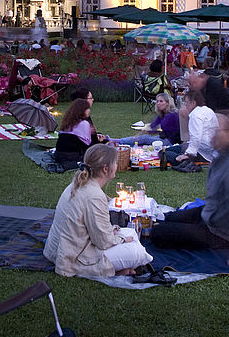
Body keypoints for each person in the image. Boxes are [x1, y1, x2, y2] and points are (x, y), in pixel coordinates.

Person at [150, 110, 229, 268]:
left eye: (217, 131)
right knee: (169, 217)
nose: (212, 135)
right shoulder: (222, 153)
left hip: (219, 232)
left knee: (158, 233)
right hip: (210, 213)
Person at [43, 143, 153, 277]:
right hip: (72, 258)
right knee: (137, 252)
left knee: (131, 232)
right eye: (115, 163)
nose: (116, 166)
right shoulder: (94, 195)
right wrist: (121, 239)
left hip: (59, 249)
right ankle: (111, 270)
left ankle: (117, 268)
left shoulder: (79, 183)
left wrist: (118, 235)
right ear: (106, 169)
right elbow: (103, 241)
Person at [163, 89, 217, 167]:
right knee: (176, 148)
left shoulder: (195, 115)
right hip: (211, 150)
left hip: (201, 151)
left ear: (193, 103)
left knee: (163, 152)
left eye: (186, 102)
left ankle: (182, 160)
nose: (185, 105)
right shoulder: (208, 110)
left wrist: (189, 154)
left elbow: (196, 136)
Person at [54, 98, 106, 169]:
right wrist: (99, 141)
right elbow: (88, 147)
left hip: (58, 156)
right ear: (82, 111)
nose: (89, 111)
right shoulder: (84, 124)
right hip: (72, 157)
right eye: (87, 109)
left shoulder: (68, 122)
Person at [111, 93, 180, 146]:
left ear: (168, 103)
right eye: (157, 101)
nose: (158, 103)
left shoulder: (172, 115)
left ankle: (117, 141)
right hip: (164, 137)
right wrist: (145, 129)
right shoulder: (163, 113)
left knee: (145, 138)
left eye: (161, 101)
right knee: (142, 139)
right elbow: (154, 124)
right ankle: (120, 144)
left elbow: (156, 129)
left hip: (171, 142)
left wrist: (147, 130)